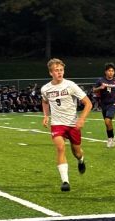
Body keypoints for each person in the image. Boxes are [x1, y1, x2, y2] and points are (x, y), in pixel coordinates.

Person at [41, 58, 92, 192]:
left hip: (72, 124)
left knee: (77, 152)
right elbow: (45, 102)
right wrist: (46, 115)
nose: (59, 73)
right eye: (56, 70)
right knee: (60, 147)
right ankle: (65, 181)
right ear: (50, 73)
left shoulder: (71, 85)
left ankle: (81, 160)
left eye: (61, 70)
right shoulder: (45, 88)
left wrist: (81, 119)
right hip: (57, 124)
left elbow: (88, 103)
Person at [93, 62, 115, 148]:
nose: (111, 72)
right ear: (105, 72)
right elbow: (94, 90)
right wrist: (100, 88)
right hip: (104, 104)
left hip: (113, 103)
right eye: (109, 71)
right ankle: (112, 136)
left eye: (112, 71)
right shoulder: (100, 80)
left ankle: (110, 139)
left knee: (107, 120)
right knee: (107, 123)